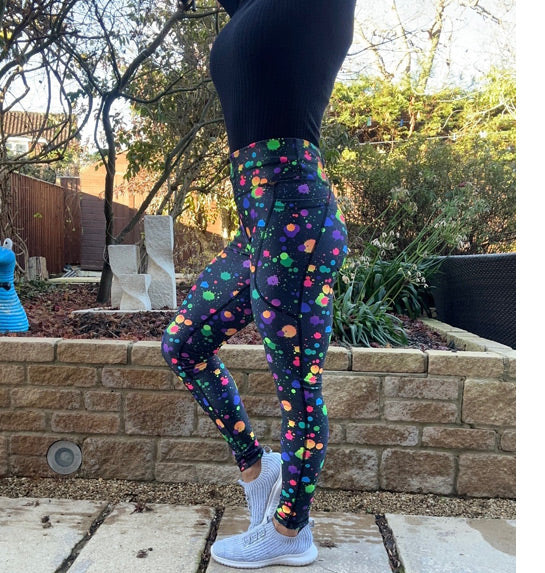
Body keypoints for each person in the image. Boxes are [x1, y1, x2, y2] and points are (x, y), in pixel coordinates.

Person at [163, 0, 356, 568]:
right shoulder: (247, 7)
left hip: (297, 217)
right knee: (183, 344)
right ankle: (257, 467)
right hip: (257, 224)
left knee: (298, 389)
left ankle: (291, 529)